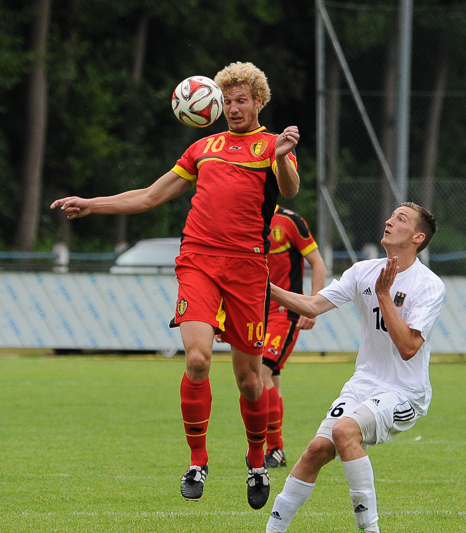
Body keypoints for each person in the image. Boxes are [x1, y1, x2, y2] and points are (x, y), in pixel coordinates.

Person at [51, 61, 300, 509]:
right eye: (227, 101)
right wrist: (92, 204)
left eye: (241, 100)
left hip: (248, 269)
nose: (233, 108)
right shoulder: (203, 147)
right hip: (198, 260)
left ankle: (257, 461)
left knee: (249, 380)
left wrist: (282, 156)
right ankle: (197, 461)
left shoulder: (271, 145)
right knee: (198, 358)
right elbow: (149, 196)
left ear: (259, 102)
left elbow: (290, 189)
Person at [246, 202, 444, 533]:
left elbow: (408, 347)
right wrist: (264, 285)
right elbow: (312, 306)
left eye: (400, 219)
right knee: (316, 450)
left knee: (343, 431)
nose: (389, 220)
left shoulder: (429, 285)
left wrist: (383, 295)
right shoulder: (363, 271)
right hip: (363, 384)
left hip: (403, 393)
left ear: (417, 238)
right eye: (391, 215)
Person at [261, 206, 326, 469]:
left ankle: (274, 447)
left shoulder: (290, 221)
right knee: (271, 379)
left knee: (261, 373)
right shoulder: (242, 217)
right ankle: (276, 449)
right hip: (253, 312)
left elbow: (318, 264)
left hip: (283, 313)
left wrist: (313, 305)